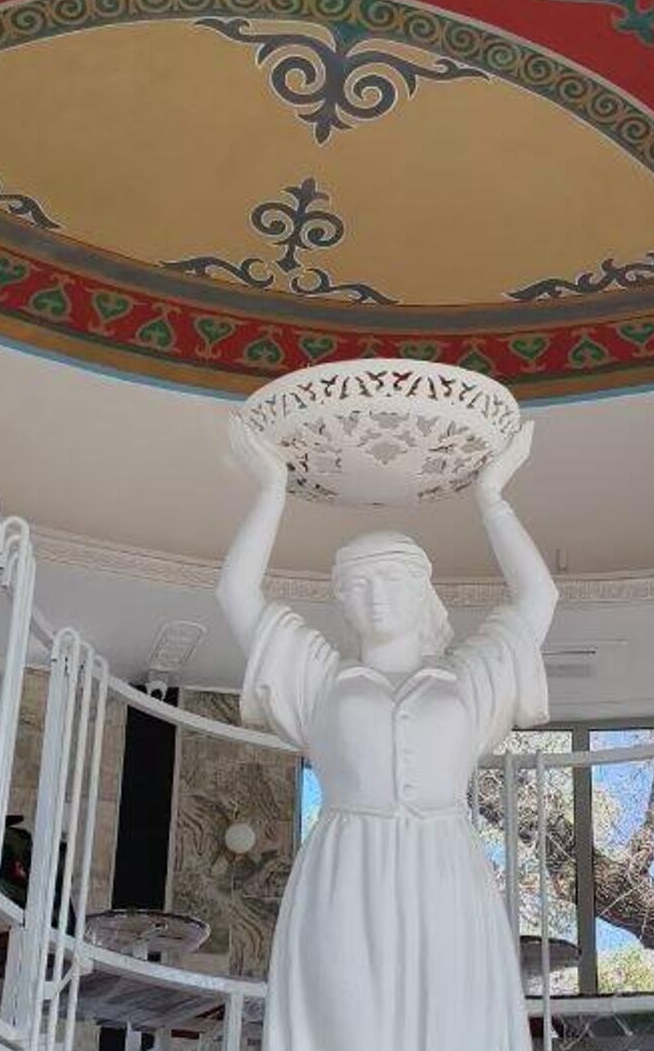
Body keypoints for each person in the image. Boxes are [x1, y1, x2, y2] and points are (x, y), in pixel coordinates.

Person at [217, 415, 559, 1051]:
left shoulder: (466, 680)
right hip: (346, 874)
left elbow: (538, 597)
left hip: (446, 871)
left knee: (453, 1025)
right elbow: (236, 591)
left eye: (393, 580)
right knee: (346, 1025)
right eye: (358, 584)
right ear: (341, 601)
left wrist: (493, 498)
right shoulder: (320, 679)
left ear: (423, 592)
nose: (376, 597)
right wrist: (271, 490)